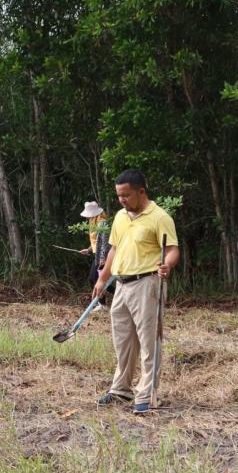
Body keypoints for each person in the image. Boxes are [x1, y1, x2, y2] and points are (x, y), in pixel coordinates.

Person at [93, 170, 179, 415]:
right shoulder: (120, 216)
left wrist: (168, 264)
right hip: (121, 285)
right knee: (123, 340)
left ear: (141, 191)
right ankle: (121, 389)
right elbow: (114, 250)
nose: (122, 199)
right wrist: (102, 278)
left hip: (147, 283)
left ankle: (147, 394)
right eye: (119, 195)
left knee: (149, 340)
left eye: (126, 195)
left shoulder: (160, 217)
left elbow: (173, 250)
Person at [78, 201, 111, 289]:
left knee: (94, 279)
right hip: (96, 254)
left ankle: (102, 302)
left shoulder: (102, 222)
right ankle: (101, 301)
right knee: (96, 279)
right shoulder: (93, 221)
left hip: (102, 255)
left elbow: (104, 241)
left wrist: (102, 258)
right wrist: (88, 249)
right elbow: (96, 241)